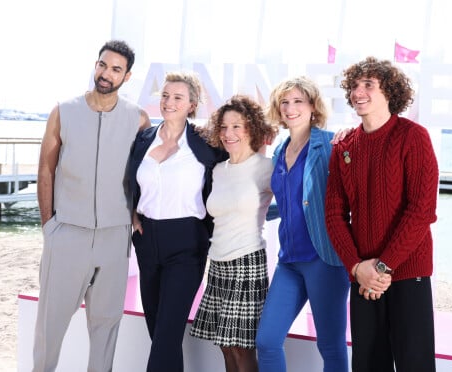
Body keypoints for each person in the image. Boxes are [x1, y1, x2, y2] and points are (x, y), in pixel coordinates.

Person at [33, 40, 150, 371]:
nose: (106, 73)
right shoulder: (64, 111)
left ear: (126, 77)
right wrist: (49, 225)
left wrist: (133, 214)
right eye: (102, 65)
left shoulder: (138, 119)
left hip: (115, 237)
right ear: (95, 65)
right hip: (68, 232)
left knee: (106, 326)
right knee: (50, 326)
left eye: (116, 69)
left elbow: (145, 173)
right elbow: (46, 170)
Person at [325, 56, 439, 371]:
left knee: (414, 364)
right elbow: (334, 215)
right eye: (354, 86)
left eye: (368, 85)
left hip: (407, 272)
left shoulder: (413, 137)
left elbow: (421, 211)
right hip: (362, 275)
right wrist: (357, 267)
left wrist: (383, 267)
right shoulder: (343, 146)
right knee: (367, 363)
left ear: (388, 91)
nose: (358, 93)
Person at [128, 71, 228, 372]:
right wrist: (131, 213)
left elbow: (236, 166)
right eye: (165, 96)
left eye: (178, 97)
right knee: (158, 331)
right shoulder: (143, 139)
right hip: (147, 241)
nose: (169, 102)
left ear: (192, 105)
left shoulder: (205, 142)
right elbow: (129, 181)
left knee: (167, 334)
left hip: (187, 243)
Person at [255, 76, 351, 372]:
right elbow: (289, 205)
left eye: (298, 101)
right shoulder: (280, 151)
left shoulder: (331, 144)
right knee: (267, 341)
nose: (290, 108)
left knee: (330, 345)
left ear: (312, 106)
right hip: (290, 262)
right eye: (284, 102)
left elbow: (350, 197)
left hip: (325, 260)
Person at [189, 94, 278, 372]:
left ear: (251, 128)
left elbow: (293, 205)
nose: (229, 134)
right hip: (217, 265)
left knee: (242, 348)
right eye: (224, 127)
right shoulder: (218, 170)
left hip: (247, 262)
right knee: (226, 346)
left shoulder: (266, 168)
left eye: (237, 126)